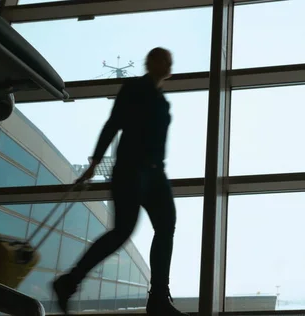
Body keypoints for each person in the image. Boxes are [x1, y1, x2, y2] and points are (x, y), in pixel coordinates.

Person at [52, 47, 187, 316]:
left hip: (154, 172)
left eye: (167, 60)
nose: (165, 63)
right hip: (131, 169)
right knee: (123, 231)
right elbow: (113, 124)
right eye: (161, 59)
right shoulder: (134, 89)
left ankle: (158, 297)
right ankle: (69, 282)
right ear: (150, 63)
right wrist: (94, 163)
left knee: (166, 226)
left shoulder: (162, 101)